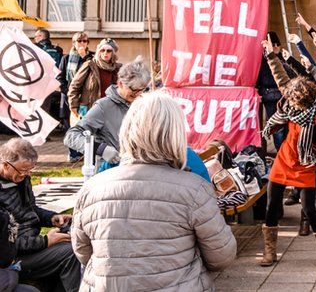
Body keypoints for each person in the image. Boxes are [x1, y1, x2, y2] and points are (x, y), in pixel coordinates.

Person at [71, 90, 237, 289]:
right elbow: (221, 255)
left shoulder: (92, 189)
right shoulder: (194, 190)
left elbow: (83, 252)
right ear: (174, 134)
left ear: (127, 130)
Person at [260, 45, 316, 270]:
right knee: (271, 207)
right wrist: (270, 54)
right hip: (284, 160)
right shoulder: (290, 102)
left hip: (307, 164)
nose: (292, 106)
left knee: (310, 210)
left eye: (296, 104)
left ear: (306, 101)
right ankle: (270, 251)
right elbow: (280, 76)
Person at [0, 139, 81, 292]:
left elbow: (31, 210)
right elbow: (5, 245)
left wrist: (52, 218)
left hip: (29, 245)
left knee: (75, 236)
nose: (26, 175)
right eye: (23, 171)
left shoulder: (20, 179)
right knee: (70, 253)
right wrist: (44, 241)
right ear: (5, 164)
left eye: (30, 170)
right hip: (11, 258)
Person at [64, 57, 151, 168]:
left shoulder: (144, 105)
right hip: (110, 171)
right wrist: (100, 149)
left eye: (142, 90)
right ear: (120, 84)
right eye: (133, 90)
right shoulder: (103, 107)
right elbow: (71, 136)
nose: (138, 94)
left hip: (139, 169)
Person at [66, 38, 120, 126]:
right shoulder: (90, 65)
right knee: (89, 136)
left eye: (109, 51)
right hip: (90, 108)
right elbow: (74, 86)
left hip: (110, 109)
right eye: (102, 50)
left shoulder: (117, 68)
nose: (105, 53)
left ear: (113, 53)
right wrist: (73, 105)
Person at [57, 32, 92, 162]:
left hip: (86, 98)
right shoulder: (66, 59)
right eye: (79, 41)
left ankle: (85, 152)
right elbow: (60, 78)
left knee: (85, 125)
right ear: (74, 43)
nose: (82, 44)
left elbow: (92, 73)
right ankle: (73, 153)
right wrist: (68, 91)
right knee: (70, 126)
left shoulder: (91, 58)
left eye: (85, 41)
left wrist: (84, 58)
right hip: (70, 98)